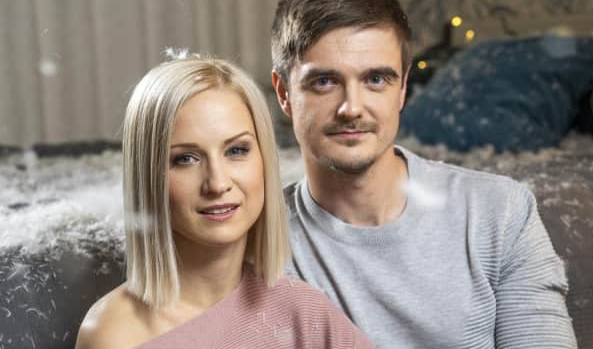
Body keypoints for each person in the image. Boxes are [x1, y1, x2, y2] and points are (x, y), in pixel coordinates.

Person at [271, 0, 577, 348]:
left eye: (376, 80)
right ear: (284, 93)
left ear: (402, 88)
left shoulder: (501, 212)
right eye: (324, 82)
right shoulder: (258, 240)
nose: (352, 108)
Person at [75, 55, 374, 349]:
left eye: (236, 151)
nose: (218, 183)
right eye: (185, 158)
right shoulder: (113, 336)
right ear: (147, 177)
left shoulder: (304, 313)